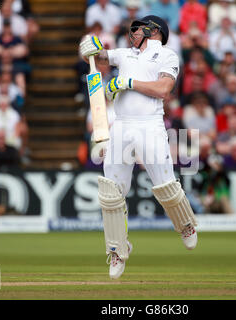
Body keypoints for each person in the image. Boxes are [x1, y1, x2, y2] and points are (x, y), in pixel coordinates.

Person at [79, 15, 198, 279]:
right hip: (121, 126)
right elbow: (99, 58)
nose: (134, 32)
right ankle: (117, 250)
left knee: (165, 185)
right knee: (111, 192)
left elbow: (164, 89)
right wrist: (89, 46)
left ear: (155, 31)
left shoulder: (167, 55)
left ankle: (186, 225)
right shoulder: (125, 54)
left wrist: (128, 83)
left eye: (140, 28)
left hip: (150, 124)